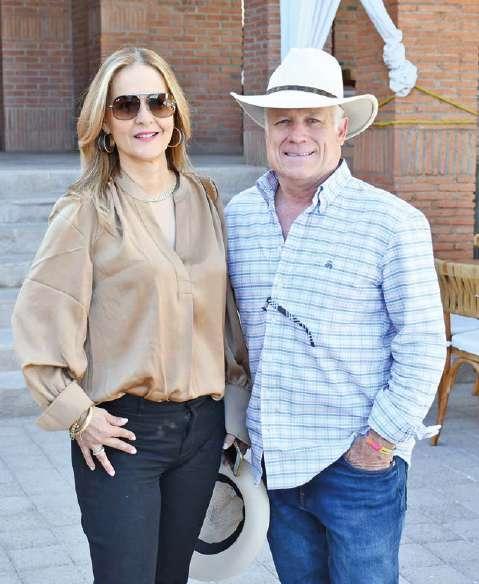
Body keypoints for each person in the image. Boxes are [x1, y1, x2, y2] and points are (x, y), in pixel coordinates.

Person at [12, 46, 250, 584]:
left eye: (157, 102)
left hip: (202, 430)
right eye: (126, 105)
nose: (145, 117)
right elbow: (40, 318)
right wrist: (77, 413)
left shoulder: (204, 197)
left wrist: (233, 403)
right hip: (123, 433)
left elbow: (225, 316)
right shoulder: (86, 210)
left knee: (172, 576)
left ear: (175, 113)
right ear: (104, 122)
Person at [225, 48, 446, 584]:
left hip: (357, 468)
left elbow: (422, 344)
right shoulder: (238, 217)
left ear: (342, 128)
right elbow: (232, 335)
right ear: (266, 130)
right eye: (284, 121)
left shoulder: (392, 222)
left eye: (314, 120)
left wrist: (378, 445)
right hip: (275, 464)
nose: (297, 135)